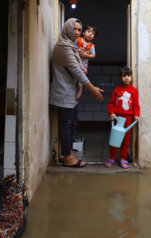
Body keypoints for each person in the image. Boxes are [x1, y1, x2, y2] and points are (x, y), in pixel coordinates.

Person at [49, 18, 103, 168]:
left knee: (72, 123)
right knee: (66, 124)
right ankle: (68, 158)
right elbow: (76, 70)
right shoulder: (63, 47)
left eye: (79, 29)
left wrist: (80, 88)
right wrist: (91, 88)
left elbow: (78, 69)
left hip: (71, 92)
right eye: (75, 29)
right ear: (67, 29)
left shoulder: (71, 46)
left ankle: (69, 153)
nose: (77, 32)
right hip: (63, 92)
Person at [105, 66, 140, 169]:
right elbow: (111, 103)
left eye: (128, 76)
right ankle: (112, 158)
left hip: (128, 119)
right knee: (114, 138)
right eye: (124, 76)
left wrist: (136, 115)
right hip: (116, 118)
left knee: (125, 140)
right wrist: (111, 113)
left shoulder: (134, 91)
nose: (126, 78)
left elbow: (136, 105)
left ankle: (123, 158)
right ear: (120, 78)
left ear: (131, 77)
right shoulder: (117, 90)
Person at [75, 24, 98, 99]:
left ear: (94, 37)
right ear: (83, 32)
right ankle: (76, 84)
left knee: (84, 71)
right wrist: (76, 50)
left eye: (93, 33)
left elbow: (93, 55)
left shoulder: (91, 45)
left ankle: (80, 86)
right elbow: (71, 47)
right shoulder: (78, 39)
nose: (90, 34)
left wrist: (86, 55)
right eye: (88, 31)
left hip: (84, 62)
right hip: (75, 60)